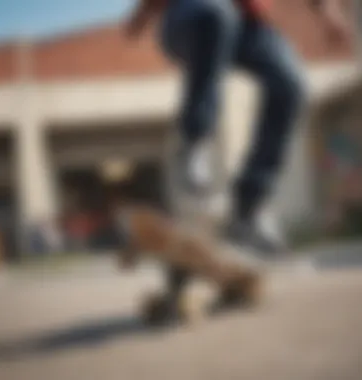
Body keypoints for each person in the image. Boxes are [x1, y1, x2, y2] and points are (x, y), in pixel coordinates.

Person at [123, 0, 350, 257]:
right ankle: (194, 142)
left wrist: (330, 12)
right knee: (217, 14)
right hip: (190, 15)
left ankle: (247, 210)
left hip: (249, 26)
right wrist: (141, 16)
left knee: (289, 85)